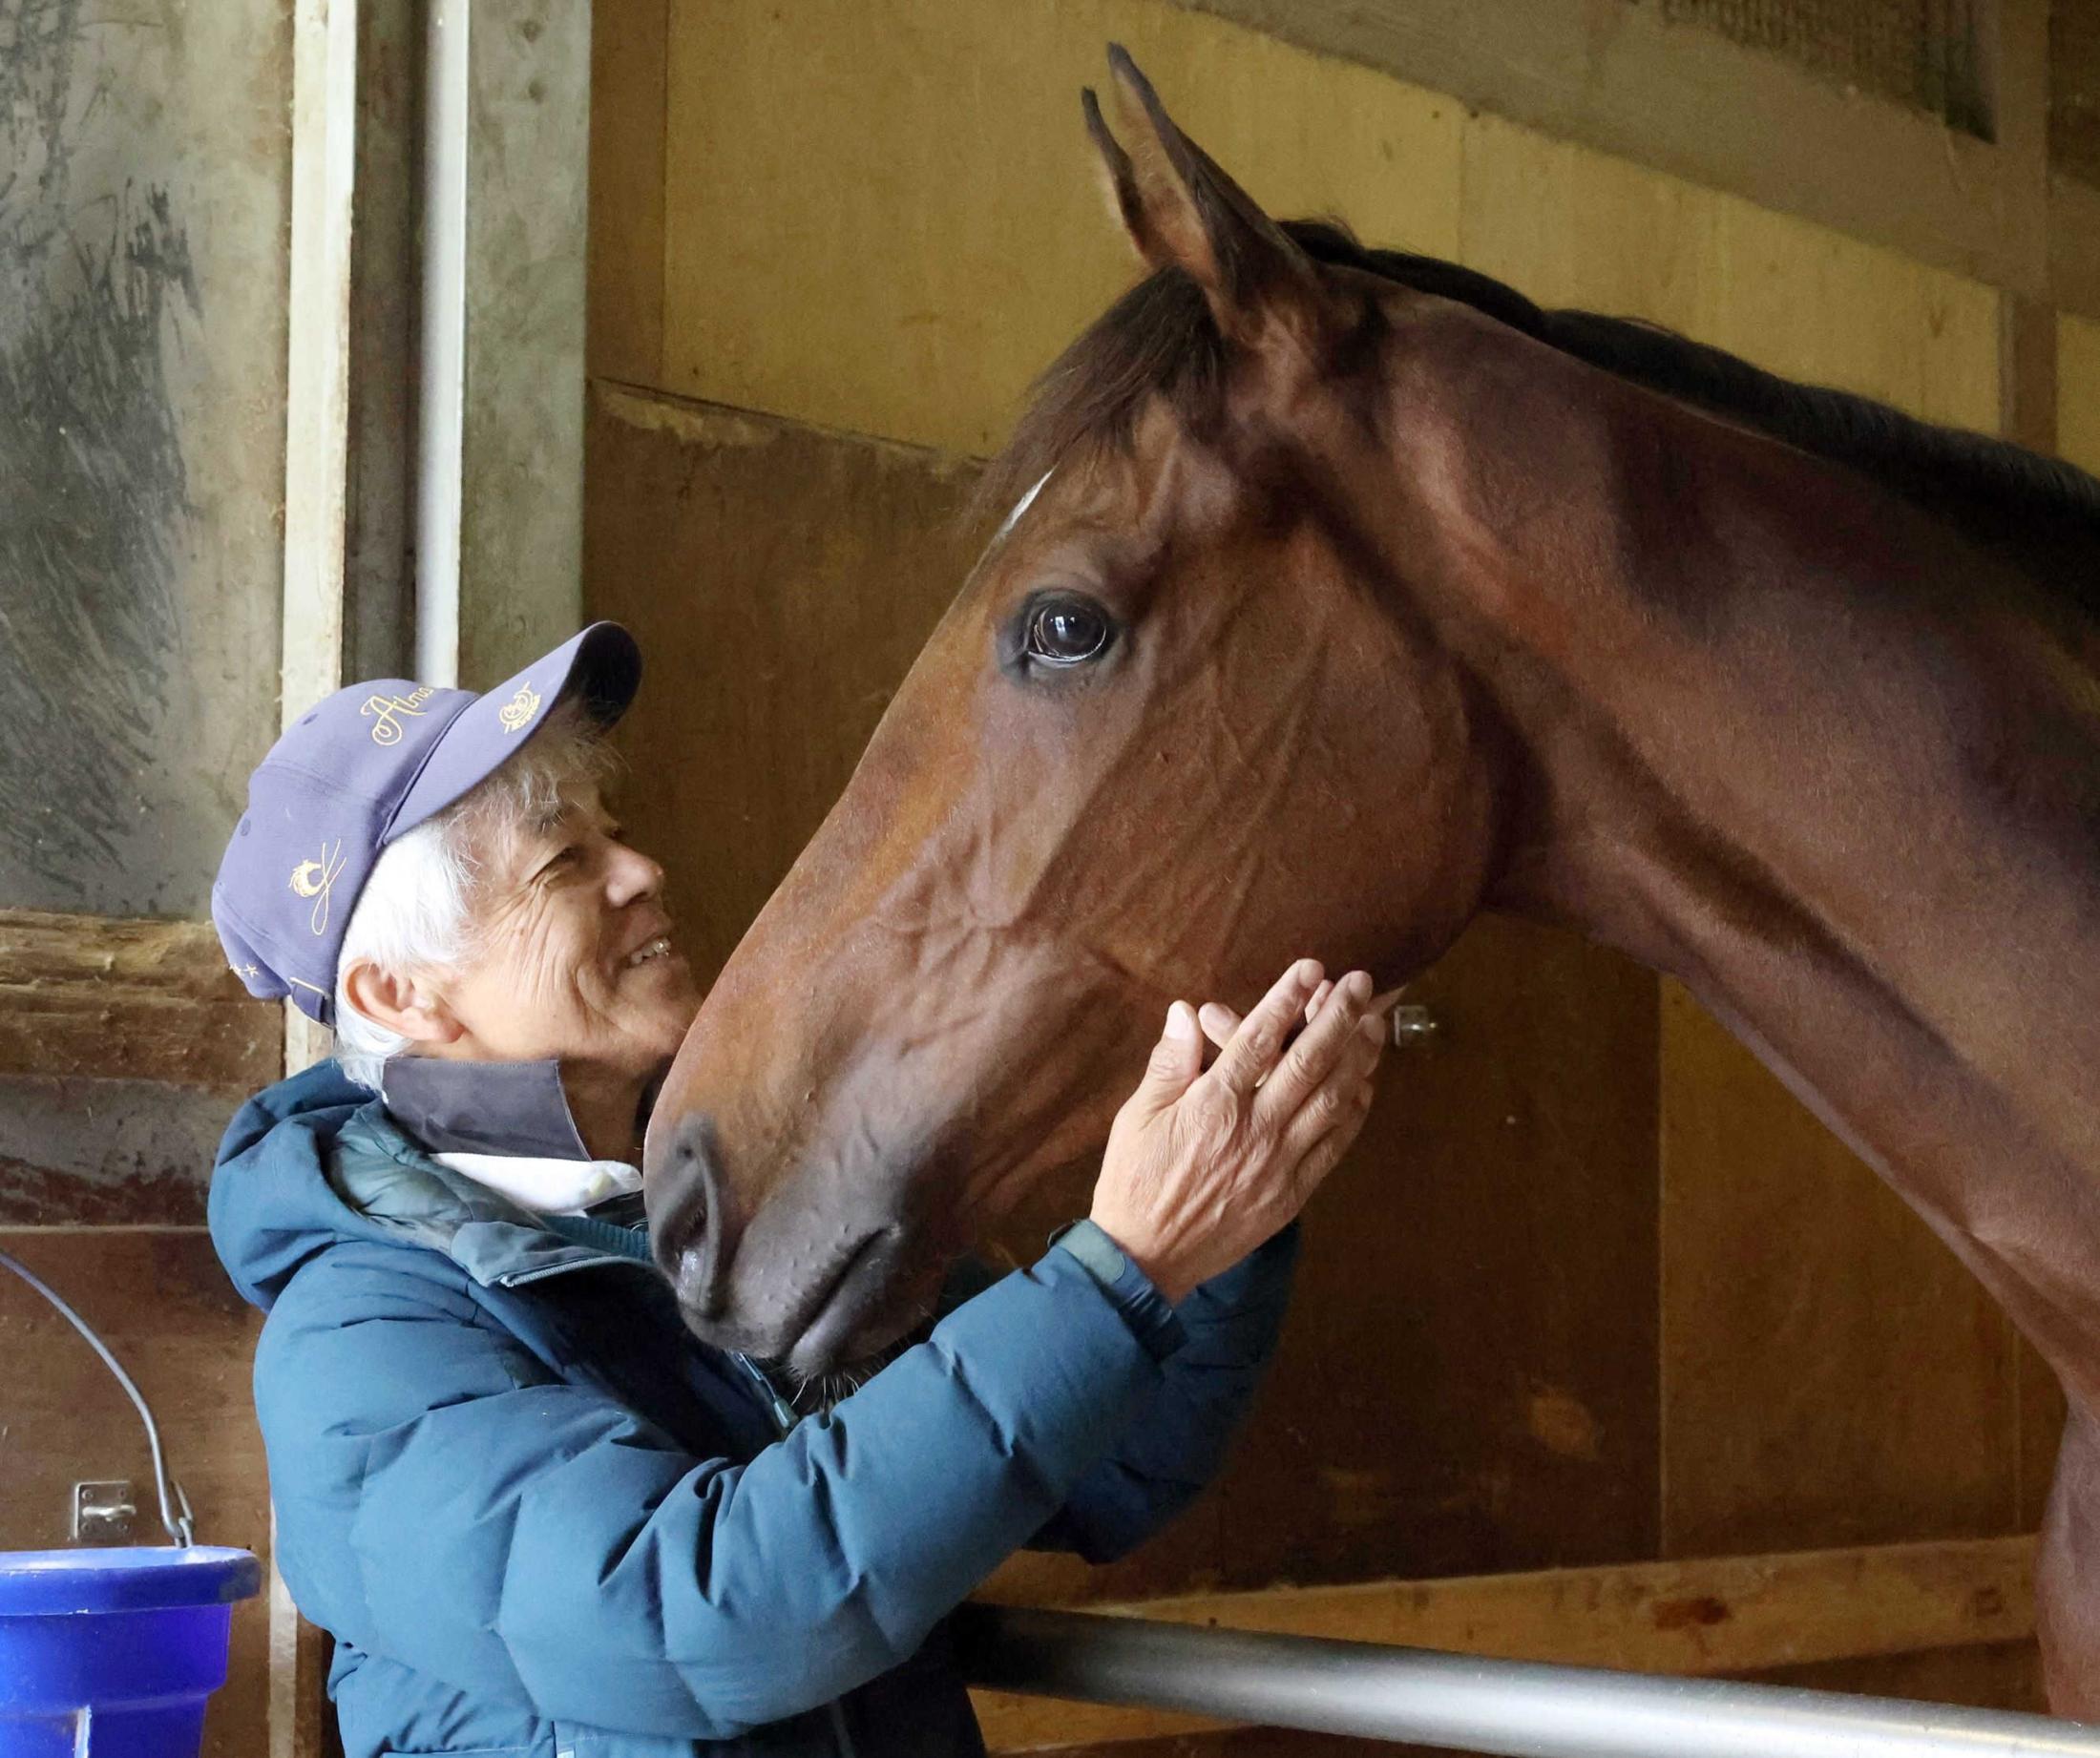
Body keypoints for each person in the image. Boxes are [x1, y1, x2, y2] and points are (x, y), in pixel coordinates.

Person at [207, 622, 1389, 1757]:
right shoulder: (364, 1342)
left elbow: (1108, 1468)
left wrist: (1232, 1199)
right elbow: (699, 1617)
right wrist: (1125, 1262)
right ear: (403, 995)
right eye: (565, 860)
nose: (642, 869)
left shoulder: (742, 1213)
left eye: (614, 832)